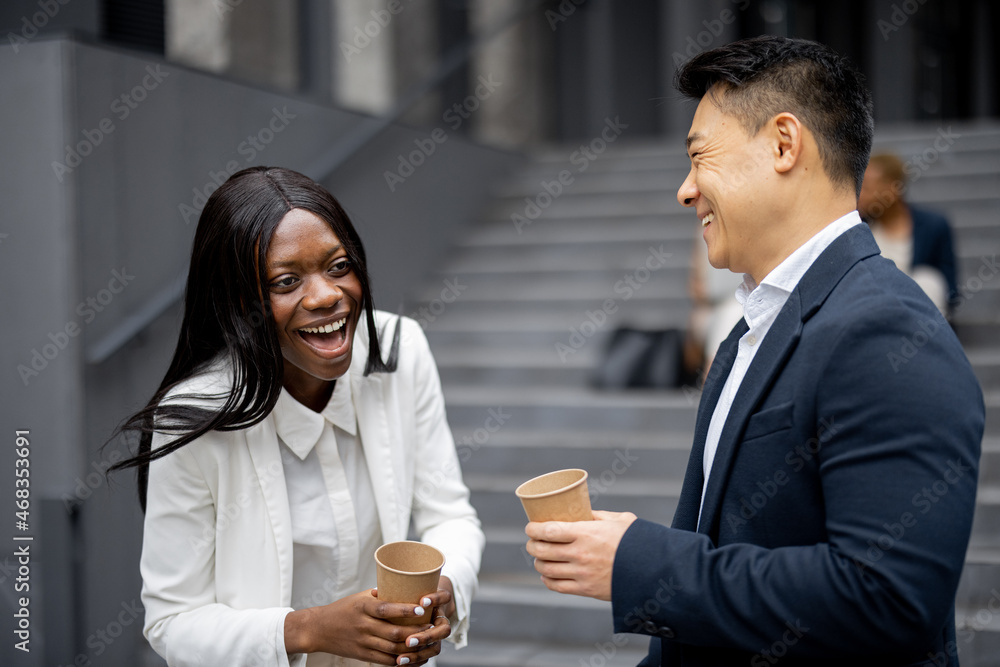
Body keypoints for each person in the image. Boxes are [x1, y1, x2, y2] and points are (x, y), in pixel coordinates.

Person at [525, 36, 983, 666]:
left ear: (784, 144)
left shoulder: (888, 329)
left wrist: (640, 563)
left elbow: (888, 600)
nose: (685, 191)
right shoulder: (750, 330)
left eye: (699, 157)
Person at [110, 167, 484, 667]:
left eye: (337, 266)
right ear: (241, 303)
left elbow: (450, 515)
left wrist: (444, 587)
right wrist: (309, 630)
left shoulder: (400, 351)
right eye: (287, 281)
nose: (326, 295)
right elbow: (173, 622)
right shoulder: (192, 419)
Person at [859, 152, 958, 316]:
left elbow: (951, 290)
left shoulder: (933, 226)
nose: (859, 195)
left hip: (923, 317)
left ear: (892, 189)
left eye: (866, 187)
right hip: (880, 315)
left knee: (928, 280)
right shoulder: (861, 230)